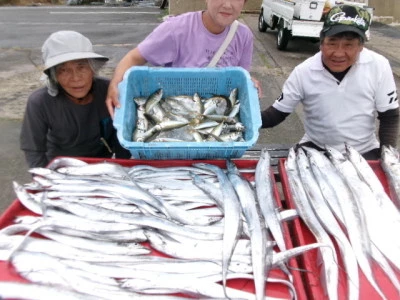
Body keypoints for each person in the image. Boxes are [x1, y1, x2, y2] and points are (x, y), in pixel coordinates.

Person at [261, 5, 399, 159]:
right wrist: (240, 121)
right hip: (316, 148)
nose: (339, 53)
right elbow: (276, 114)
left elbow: (389, 116)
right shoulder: (304, 71)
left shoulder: (379, 65)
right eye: (332, 43)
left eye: (349, 45)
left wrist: (387, 155)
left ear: (360, 46)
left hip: (364, 151)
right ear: (321, 43)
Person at [106, 0, 259, 117]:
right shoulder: (176, 28)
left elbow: (240, 77)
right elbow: (133, 57)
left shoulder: (244, 36)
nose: (227, 4)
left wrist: (250, 82)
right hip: (177, 111)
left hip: (216, 113)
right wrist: (114, 84)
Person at [20, 30, 131, 168]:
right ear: (54, 76)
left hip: (102, 165)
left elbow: (122, 135)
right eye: (64, 70)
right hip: (61, 167)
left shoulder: (109, 90)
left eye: (81, 67)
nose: (76, 78)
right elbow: (33, 149)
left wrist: (124, 168)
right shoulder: (40, 102)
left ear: (93, 68)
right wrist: (45, 180)